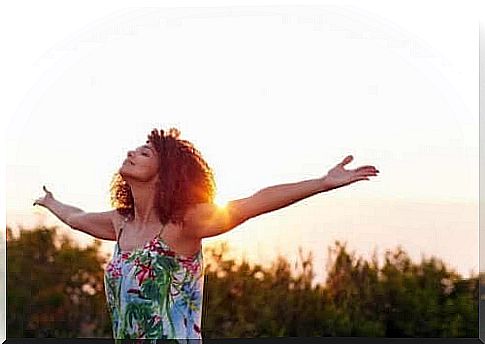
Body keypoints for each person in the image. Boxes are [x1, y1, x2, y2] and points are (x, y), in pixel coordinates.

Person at [33, 127, 380, 341]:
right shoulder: (120, 223)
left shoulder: (185, 224)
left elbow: (252, 203)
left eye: (145, 152)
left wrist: (321, 183)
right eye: (135, 149)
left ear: (165, 173)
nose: (131, 153)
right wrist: (50, 202)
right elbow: (76, 217)